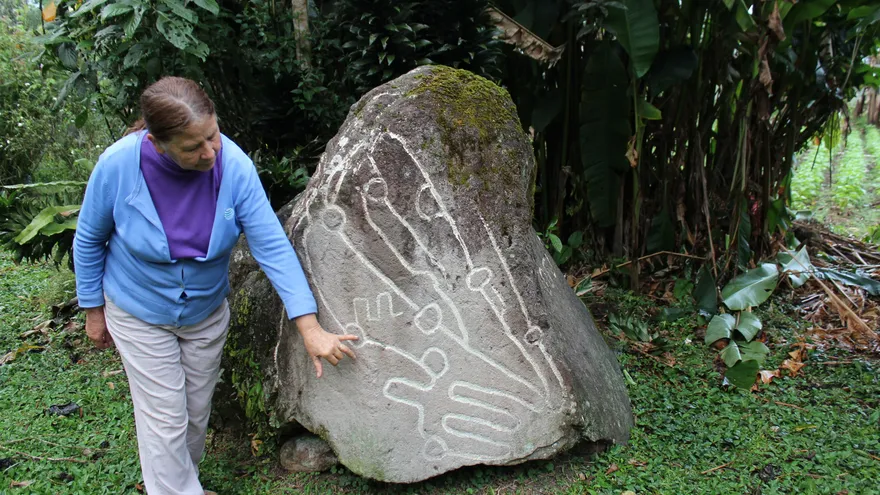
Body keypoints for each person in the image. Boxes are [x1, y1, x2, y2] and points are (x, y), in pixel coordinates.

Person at [73, 76, 358, 495]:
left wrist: (309, 326)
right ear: (157, 143)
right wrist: (93, 310)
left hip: (205, 311)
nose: (210, 152)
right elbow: (88, 238)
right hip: (138, 310)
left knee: (193, 413)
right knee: (165, 417)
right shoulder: (118, 165)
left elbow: (272, 248)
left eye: (213, 135)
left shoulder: (234, 166)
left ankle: (177, 483)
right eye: (193, 147)